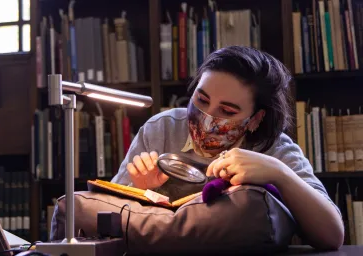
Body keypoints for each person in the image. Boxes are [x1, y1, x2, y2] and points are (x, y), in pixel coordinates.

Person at [111, 46, 344, 250]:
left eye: (228, 112)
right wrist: (142, 192)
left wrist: (280, 174)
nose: (208, 118)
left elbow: (332, 237)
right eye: (201, 100)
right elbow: (107, 219)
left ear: (255, 119)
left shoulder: (277, 149)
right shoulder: (161, 129)